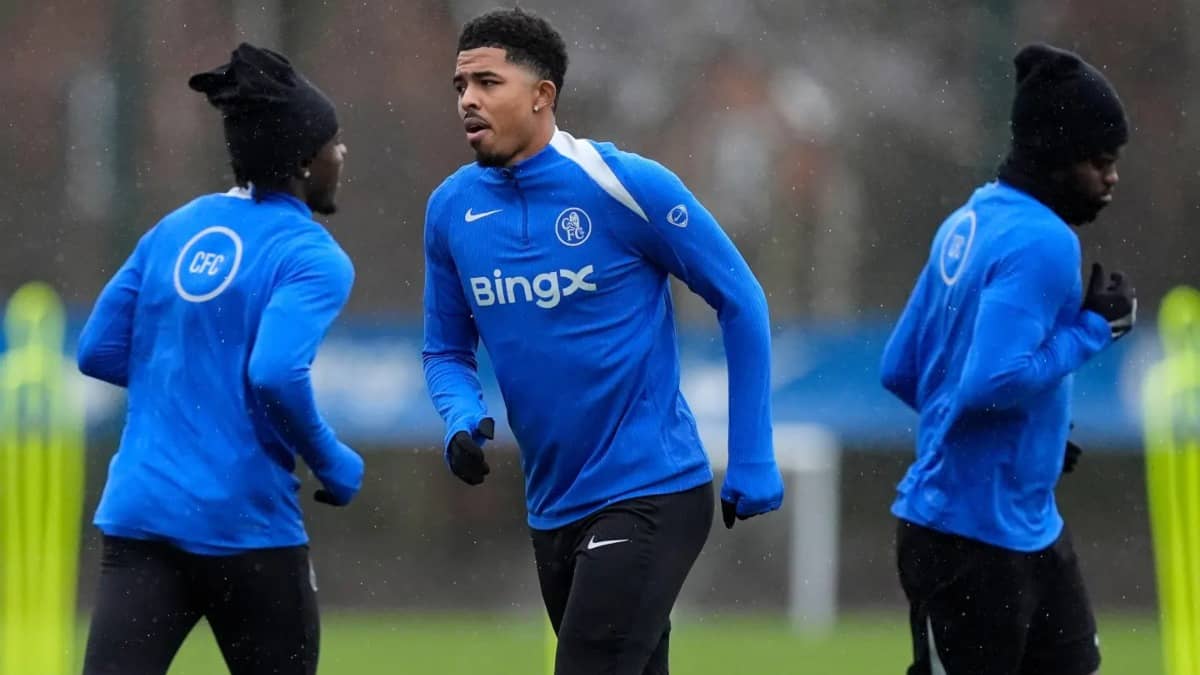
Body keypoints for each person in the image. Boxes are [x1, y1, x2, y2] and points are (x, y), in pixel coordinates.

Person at [421, 8, 783, 674]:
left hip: (652, 488)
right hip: (553, 505)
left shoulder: (625, 185)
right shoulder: (450, 211)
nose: (468, 99)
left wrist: (752, 452)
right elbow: (445, 351)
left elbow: (741, 299)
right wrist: (459, 418)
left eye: (487, 82)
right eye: (460, 86)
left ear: (542, 95)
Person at [77, 43, 361, 675]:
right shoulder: (311, 255)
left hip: (141, 517)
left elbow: (97, 350)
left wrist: (187, 387)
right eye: (334, 142)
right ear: (303, 159)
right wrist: (332, 462)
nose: (342, 155)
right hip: (246, 526)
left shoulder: (175, 227)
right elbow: (275, 373)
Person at [880, 43, 1137, 675]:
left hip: (1027, 530)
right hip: (970, 544)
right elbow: (989, 384)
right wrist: (1093, 330)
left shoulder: (968, 221)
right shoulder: (1045, 241)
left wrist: (1029, 438)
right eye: (1099, 162)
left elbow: (902, 368)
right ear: (1054, 157)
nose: (1112, 178)